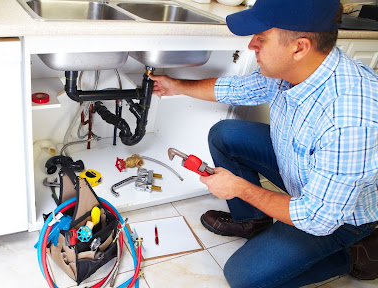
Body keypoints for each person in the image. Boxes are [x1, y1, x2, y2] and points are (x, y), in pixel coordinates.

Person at [150, 0, 378, 287]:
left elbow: (319, 218)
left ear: (299, 47)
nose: (251, 46)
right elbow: (237, 89)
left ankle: (356, 255)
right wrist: (176, 86)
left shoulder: (350, 118)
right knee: (226, 134)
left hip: (338, 217)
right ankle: (253, 222)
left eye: (261, 38)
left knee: (244, 277)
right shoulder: (295, 69)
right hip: (303, 175)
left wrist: (240, 188)